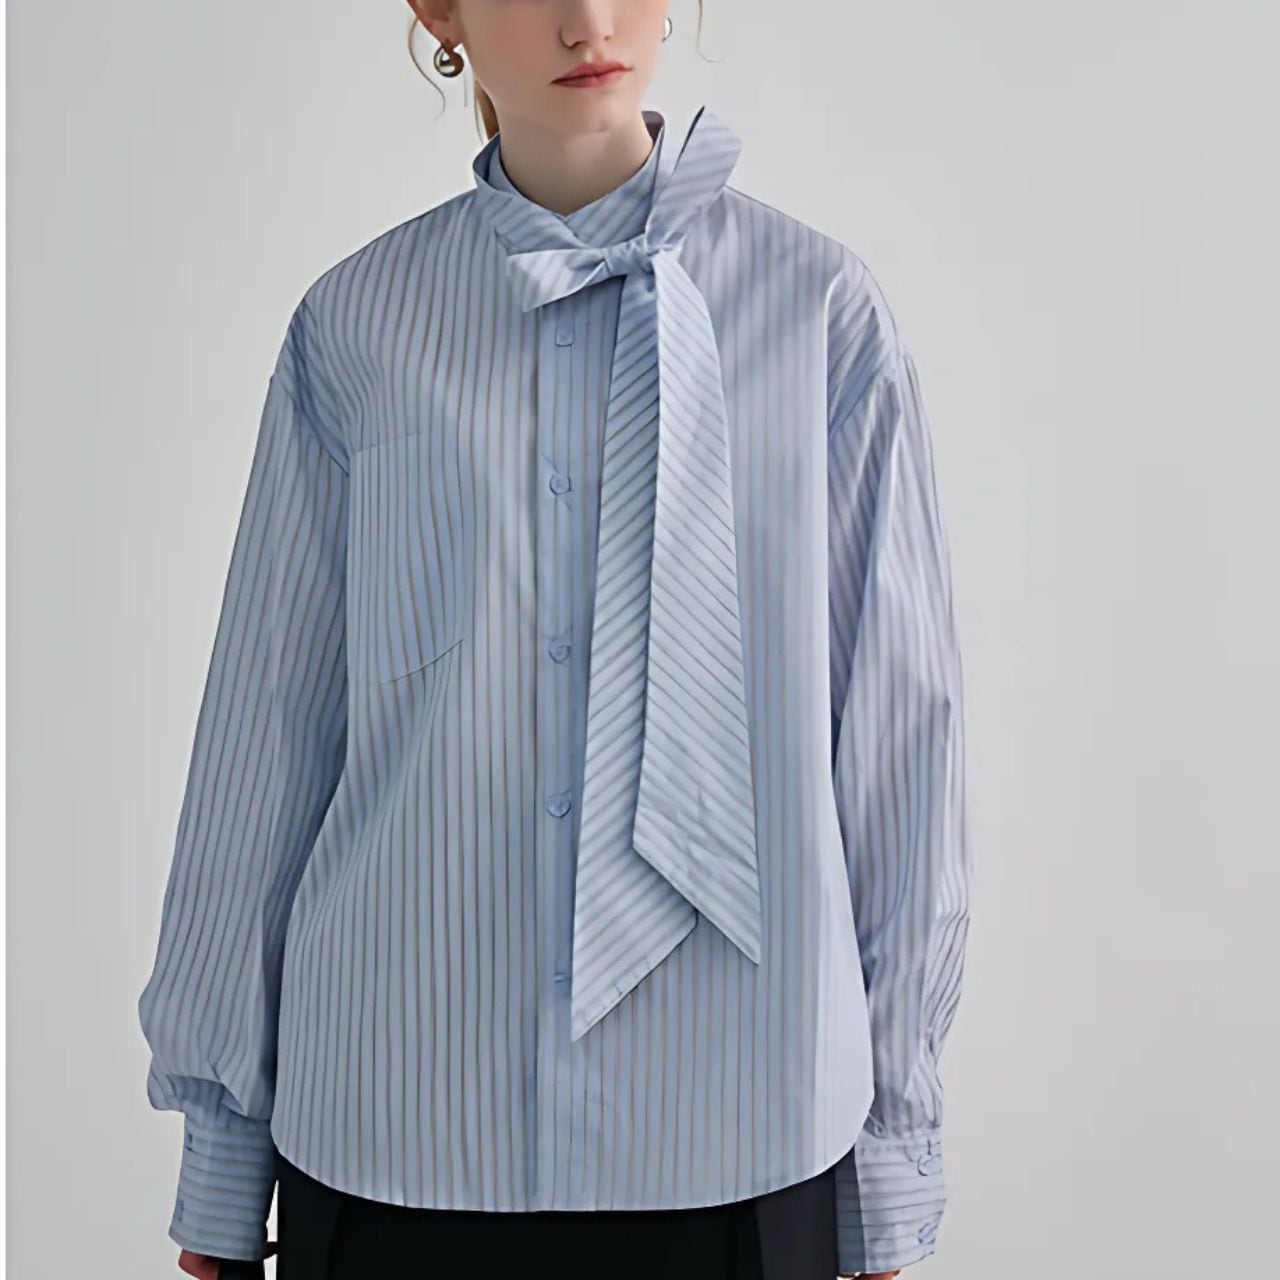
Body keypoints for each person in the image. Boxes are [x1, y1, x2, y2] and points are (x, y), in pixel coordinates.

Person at [136, 3, 973, 1278]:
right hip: (396, 1133)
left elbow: (897, 746)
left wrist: (897, 1142)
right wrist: (221, 1138)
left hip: (740, 1135)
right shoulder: (357, 328)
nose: (587, 20)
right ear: (440, 10)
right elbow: (267, 735)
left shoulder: (819, 316)